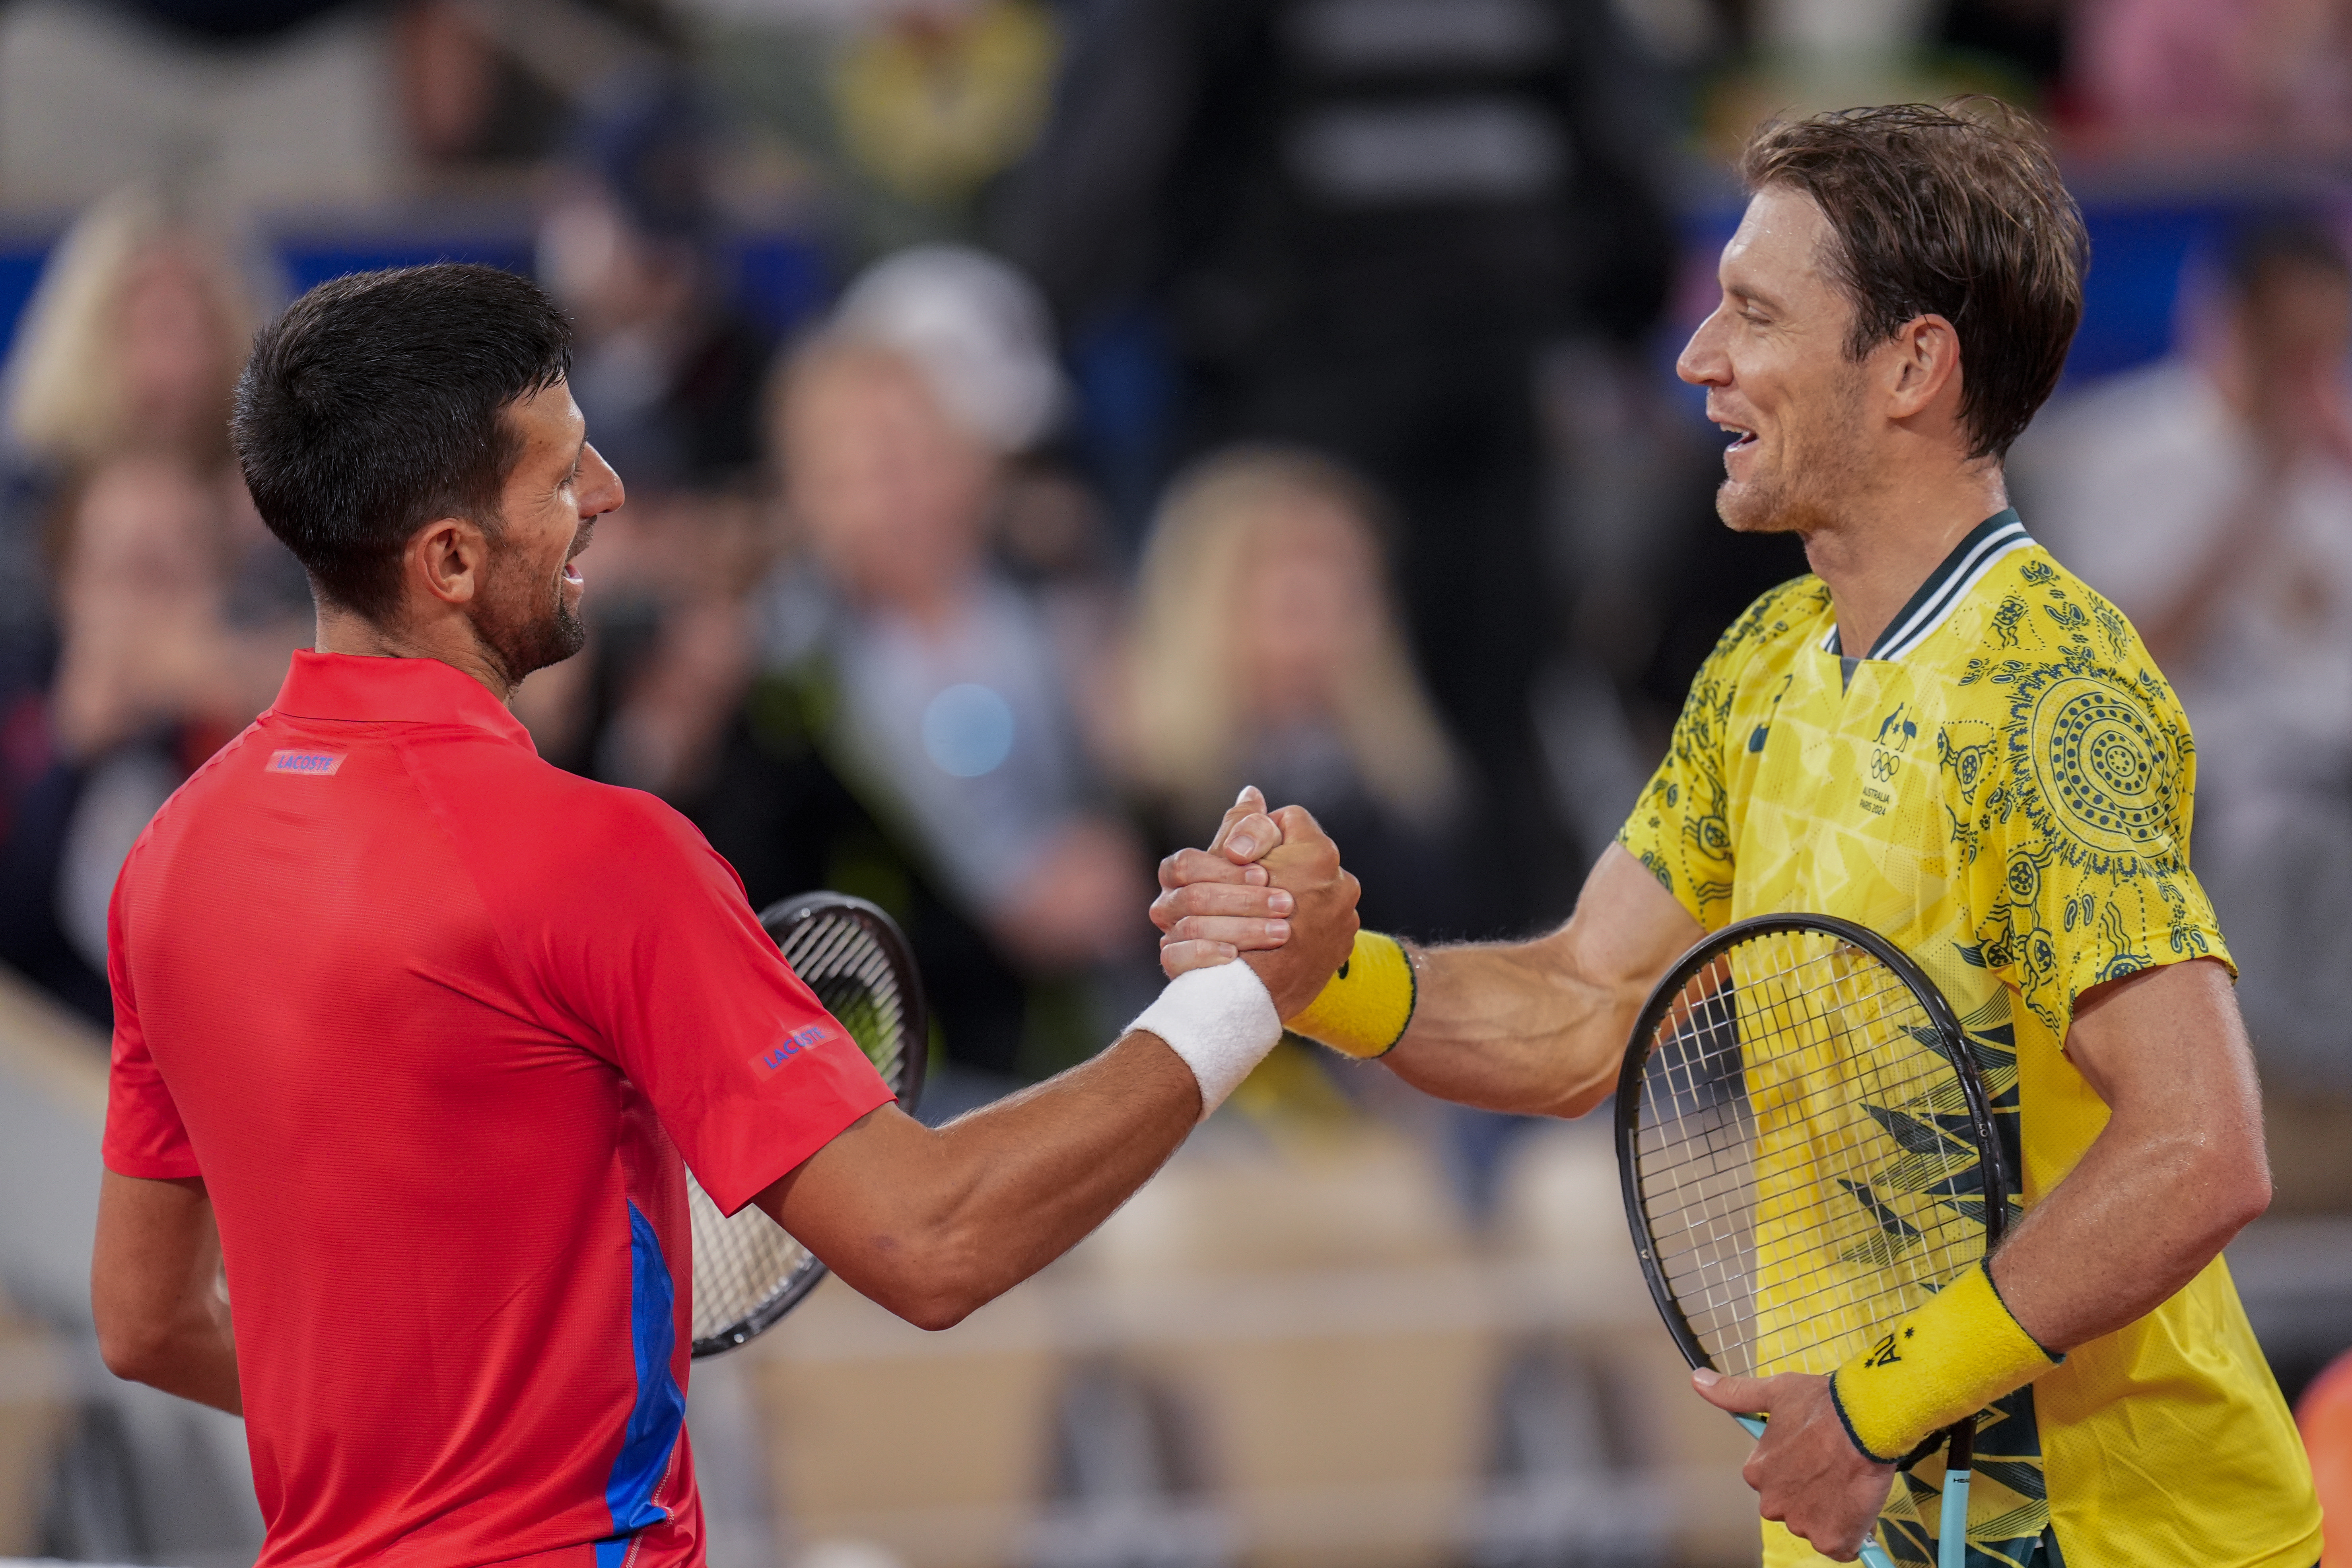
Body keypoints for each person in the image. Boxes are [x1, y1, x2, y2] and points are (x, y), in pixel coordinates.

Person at [1154, 103, 2321, 1566]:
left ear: (1910, 364)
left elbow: (2202, 1147)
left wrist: (1876, 1406)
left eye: (1753, 313)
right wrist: (1322, 972)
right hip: (1865, 1520)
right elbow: (1586, 1004)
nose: (1698, 358)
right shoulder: (1766, 661)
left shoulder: (2047, 690)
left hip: (2119, 1539)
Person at [86, 262, 1358, 1568]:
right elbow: (931, 1240)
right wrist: (1241, 994)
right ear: (451, 559)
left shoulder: (170, 858)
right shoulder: (599, 855)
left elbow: (146, 1322)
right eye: (564, 472)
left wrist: (439, 1417)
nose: (610, 496)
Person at [2016, 214, 2352, 1090]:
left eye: (2330, 350)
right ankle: (2266, 1093)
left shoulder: (2340, 462)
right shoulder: (2126, 447)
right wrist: (2260, 488)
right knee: (2277, 837)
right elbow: (2134, 655)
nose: (2315, 377)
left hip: (2330, 741)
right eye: (2296, 351)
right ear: (2234, 325)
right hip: (2207, 764)